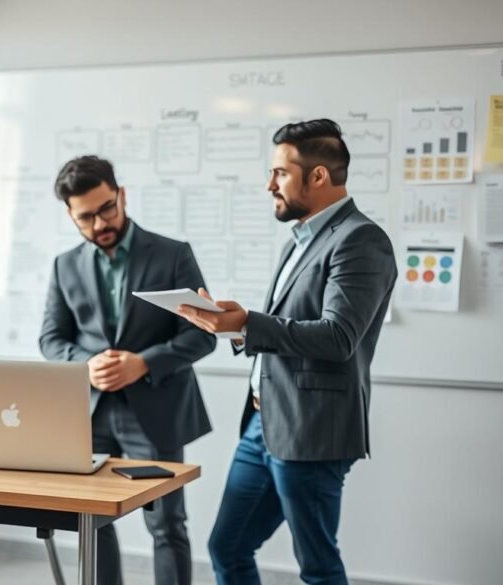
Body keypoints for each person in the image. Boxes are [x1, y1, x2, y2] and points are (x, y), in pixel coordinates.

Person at [176, 119, 397, 584]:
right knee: (227, 547)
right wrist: (237, 328)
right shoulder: (300, 239)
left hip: (313, 430)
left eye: (279, 173)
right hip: (264, 422)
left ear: (318, 176)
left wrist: (248, 323)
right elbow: (286, 326)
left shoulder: (360, 239)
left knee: (317, 564)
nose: (268, 184)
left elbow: (338, 337)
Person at [39, 155, 216, 585]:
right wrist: (86, 363)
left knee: (166, 525)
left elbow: (204, 334)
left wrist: (144, 363)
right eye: (86, 217)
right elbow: (51, 339)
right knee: (93, 523)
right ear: (70, 215)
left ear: (121, 195)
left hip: (156, 413)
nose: (100, 223)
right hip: (92, 414)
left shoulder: (174, 254)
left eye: (107, 208)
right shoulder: (65, 265)